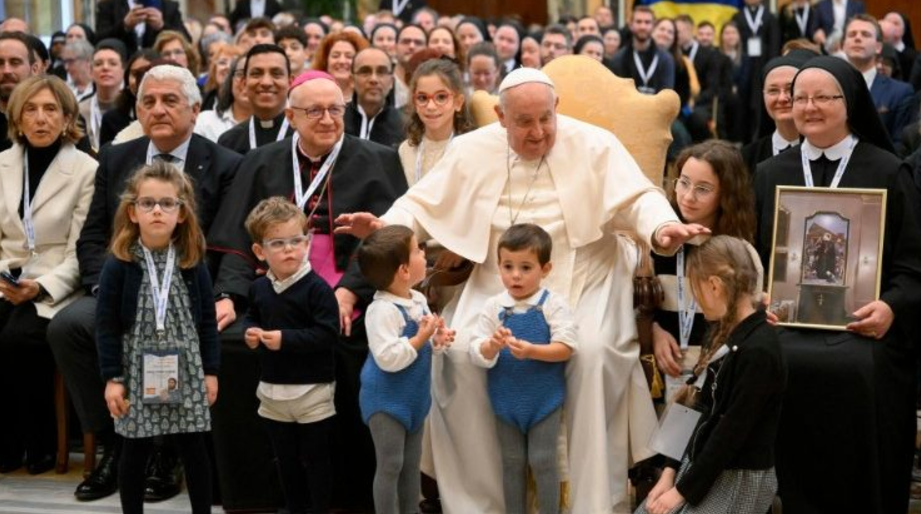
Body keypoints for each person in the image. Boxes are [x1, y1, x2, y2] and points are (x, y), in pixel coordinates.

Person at [335, 67, 708, 514]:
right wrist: (387, 227)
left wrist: (663, 227)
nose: (538, 133)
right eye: (524, 122)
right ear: (499, 116)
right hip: (499, 277)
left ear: (557, 110)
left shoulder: (595, 144)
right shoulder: (471, 149)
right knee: (459, 358)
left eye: (546, 119)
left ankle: (584, 502)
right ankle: (482, 502)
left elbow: (638, 198)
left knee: (588, 355)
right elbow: (420, 203)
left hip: (587, 270)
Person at [207, 70, 407, 510]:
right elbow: (239, 242)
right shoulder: (261, 162)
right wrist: (229, 295)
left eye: (335, 109)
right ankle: (256, 494)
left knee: (349, 346)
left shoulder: (378, 158)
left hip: (346, 282)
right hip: (271, 287)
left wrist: (352, 290)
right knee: (232, 347)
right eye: (314, 110)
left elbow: (386, 240)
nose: (327, 119)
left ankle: (345, 494)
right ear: (291, 116)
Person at [48, 64, 241, 503]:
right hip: (123, 283)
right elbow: (94, 235)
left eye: (170, 100)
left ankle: (168, 450)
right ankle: (117, 440)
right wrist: (104, 288)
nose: (158, 109)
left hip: (190, 288)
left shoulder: (226, 163)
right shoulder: (117, 157)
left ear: (195, 109)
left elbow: (231, 241)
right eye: (148, 101)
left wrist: (225, 294)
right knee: (66, 326)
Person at [753, 55, 921, 514]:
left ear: (850, 103)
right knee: (771, 362)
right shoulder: (770, 174)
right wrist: (760, 296)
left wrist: (889, 307)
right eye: (800, 97)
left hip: (864, 328)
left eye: (822, 97)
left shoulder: (888, 171)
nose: (808, 106)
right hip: (786, 324)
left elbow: (913, 267)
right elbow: (752, 260)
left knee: (858, 371)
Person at [96, 161, 218, 514]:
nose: (157, 211)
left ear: (181, 213)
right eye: (148, 203)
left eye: (167, 203)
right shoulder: (119, 264)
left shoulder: (193, 262)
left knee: (193, 447)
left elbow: (207, 322)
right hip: (136, 369)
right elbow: (105, 326)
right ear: (132, 212)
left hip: (188, 368)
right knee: (134, 448)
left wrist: (210, 370)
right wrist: (112, 379)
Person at [636, 235, 784, 514]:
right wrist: (669, 472)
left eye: (695, 289)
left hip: (735, 476)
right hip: (700, 465)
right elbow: (693, 404)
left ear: (714, 285)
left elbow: (730, 435)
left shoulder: (760, 351)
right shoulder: (718, 334)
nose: (695, 299)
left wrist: (682, 491)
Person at [0, 75, 96, 475]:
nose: (40, 119)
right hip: (5, 273)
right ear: (18, 119)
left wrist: (41, 285)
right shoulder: (2, 163)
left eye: (51, 109)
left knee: (18, 338)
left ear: (67, 117)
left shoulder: (86, 168)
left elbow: (82, 246)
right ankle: (5, 442)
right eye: (31, 110)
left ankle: (38, 442)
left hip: (56, 280)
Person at [241, 197, 340, 514]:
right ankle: (294, 507)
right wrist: (250, 332)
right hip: (273, 391)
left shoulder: (318, 290)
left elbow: (327, 335)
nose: (289, 250)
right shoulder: (258, 288)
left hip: (312, 391)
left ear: (308, 243)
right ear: (260, 251)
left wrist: (284, 339)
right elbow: (251, 316)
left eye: (296, 241)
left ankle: (319, 508)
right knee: (284, 458)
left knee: (316, 458)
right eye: (278, 243)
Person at [470, 224, 577, 514]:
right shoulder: (494, 307)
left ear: (546, 268)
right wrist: (490, 346)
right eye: (508, 266)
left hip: (544, 400)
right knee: (512, 463)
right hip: (505, 401)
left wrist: (531, 351)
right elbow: (476, 349)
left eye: (526, 267)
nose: (515, 275)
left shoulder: (552, 305)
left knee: (543, 461)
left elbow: (566, 347)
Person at [357, 224, 454, 514]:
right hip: (386, 401)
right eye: (417, 250)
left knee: (411, 464)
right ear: (403, 270)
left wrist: (438, 340)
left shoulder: (418, 300)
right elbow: (388, 358)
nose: (424, 254)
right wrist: (422, 337)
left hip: (413, 398)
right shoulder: (382, 311)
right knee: (391, 464)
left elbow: (423, 347)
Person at [653, 141, 757, 386]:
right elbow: (636, 306)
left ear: (726, 194)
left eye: (703, 189)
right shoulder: (659, 240)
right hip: (662, 373)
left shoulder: (740, 252)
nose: (688, 196)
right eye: (684, 182)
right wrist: (653, 332)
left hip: (715, 377)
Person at [843, 15, 916, 147]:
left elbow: (900, 144)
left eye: (865, 34)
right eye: (852, 34)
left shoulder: (900, 92)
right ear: (843, 45)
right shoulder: (829, 87)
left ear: (878, 47)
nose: (857, 38)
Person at [398, 58, 472, 187]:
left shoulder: (471, 150)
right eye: (422, 98)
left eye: (441, 97)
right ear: (414, 102)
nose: (431, 106)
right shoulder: (405, 150)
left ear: (458, 102)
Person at [741, 50, 815, 174]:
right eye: (773, 91)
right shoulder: (747, 156)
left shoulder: (824, 151)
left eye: (790, 89)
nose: (782, 98)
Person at [218, 44, 294, 154]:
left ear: (290, 82)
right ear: (244, 83)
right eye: (256, 74)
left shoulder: (305, 137)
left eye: (276, 74)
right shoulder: (228, 142)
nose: (266, 82)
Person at [344, 47, 404, 148]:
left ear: (391, 82)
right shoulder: (336, 121)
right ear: (351, 81)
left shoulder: (405, 126)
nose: (373, 79)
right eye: (365, 71)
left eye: (381, 72)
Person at [99, 49, 158, 148]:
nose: (140, 80)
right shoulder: (111, 119)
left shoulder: (163, 114)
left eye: (146, 74)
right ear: (127, 78)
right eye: (135, 74)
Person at [611, 7, 675, 95]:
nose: (643, 26)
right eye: (638, 22)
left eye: (647, 22)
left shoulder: (666, 59)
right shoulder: (618, 58)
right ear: (631, 25)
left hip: (656, 108)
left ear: (653, 26)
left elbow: (666, 96)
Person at [95, 0, 191, 56]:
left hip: (158, 67)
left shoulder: (168, 6)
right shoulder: (108, 5)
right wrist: (124, 25)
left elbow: (186, 40)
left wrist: (162, 26)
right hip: (122, 68)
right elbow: (99, 40)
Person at [80, 39, 128, 152]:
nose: (105, 68)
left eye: (113, 63)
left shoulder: (131, 108)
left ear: (124, 70)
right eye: (98, 64)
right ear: (90, 71)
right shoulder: (79, 111)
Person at [0, 31, 43, 152]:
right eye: (0, 63)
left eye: (15, 62)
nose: (6, 70)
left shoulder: (59, 117)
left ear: (34, 69)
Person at [194, 56, 252, 142]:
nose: (246, 81)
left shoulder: (274, 126)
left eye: (254, 75)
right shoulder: (205, 122)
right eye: (240, 74)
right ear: (230, 80)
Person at [313, 32, 369, 103]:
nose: (342, 61)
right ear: (325, 60)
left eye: (349, 56)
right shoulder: (313, 94)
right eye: (335, 56)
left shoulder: (367, 98)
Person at [394, 25, 427, 108]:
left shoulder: (435, 82)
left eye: (418, 43)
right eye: (406, 41)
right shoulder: (384, 80)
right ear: (395, 47)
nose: (412, 46)